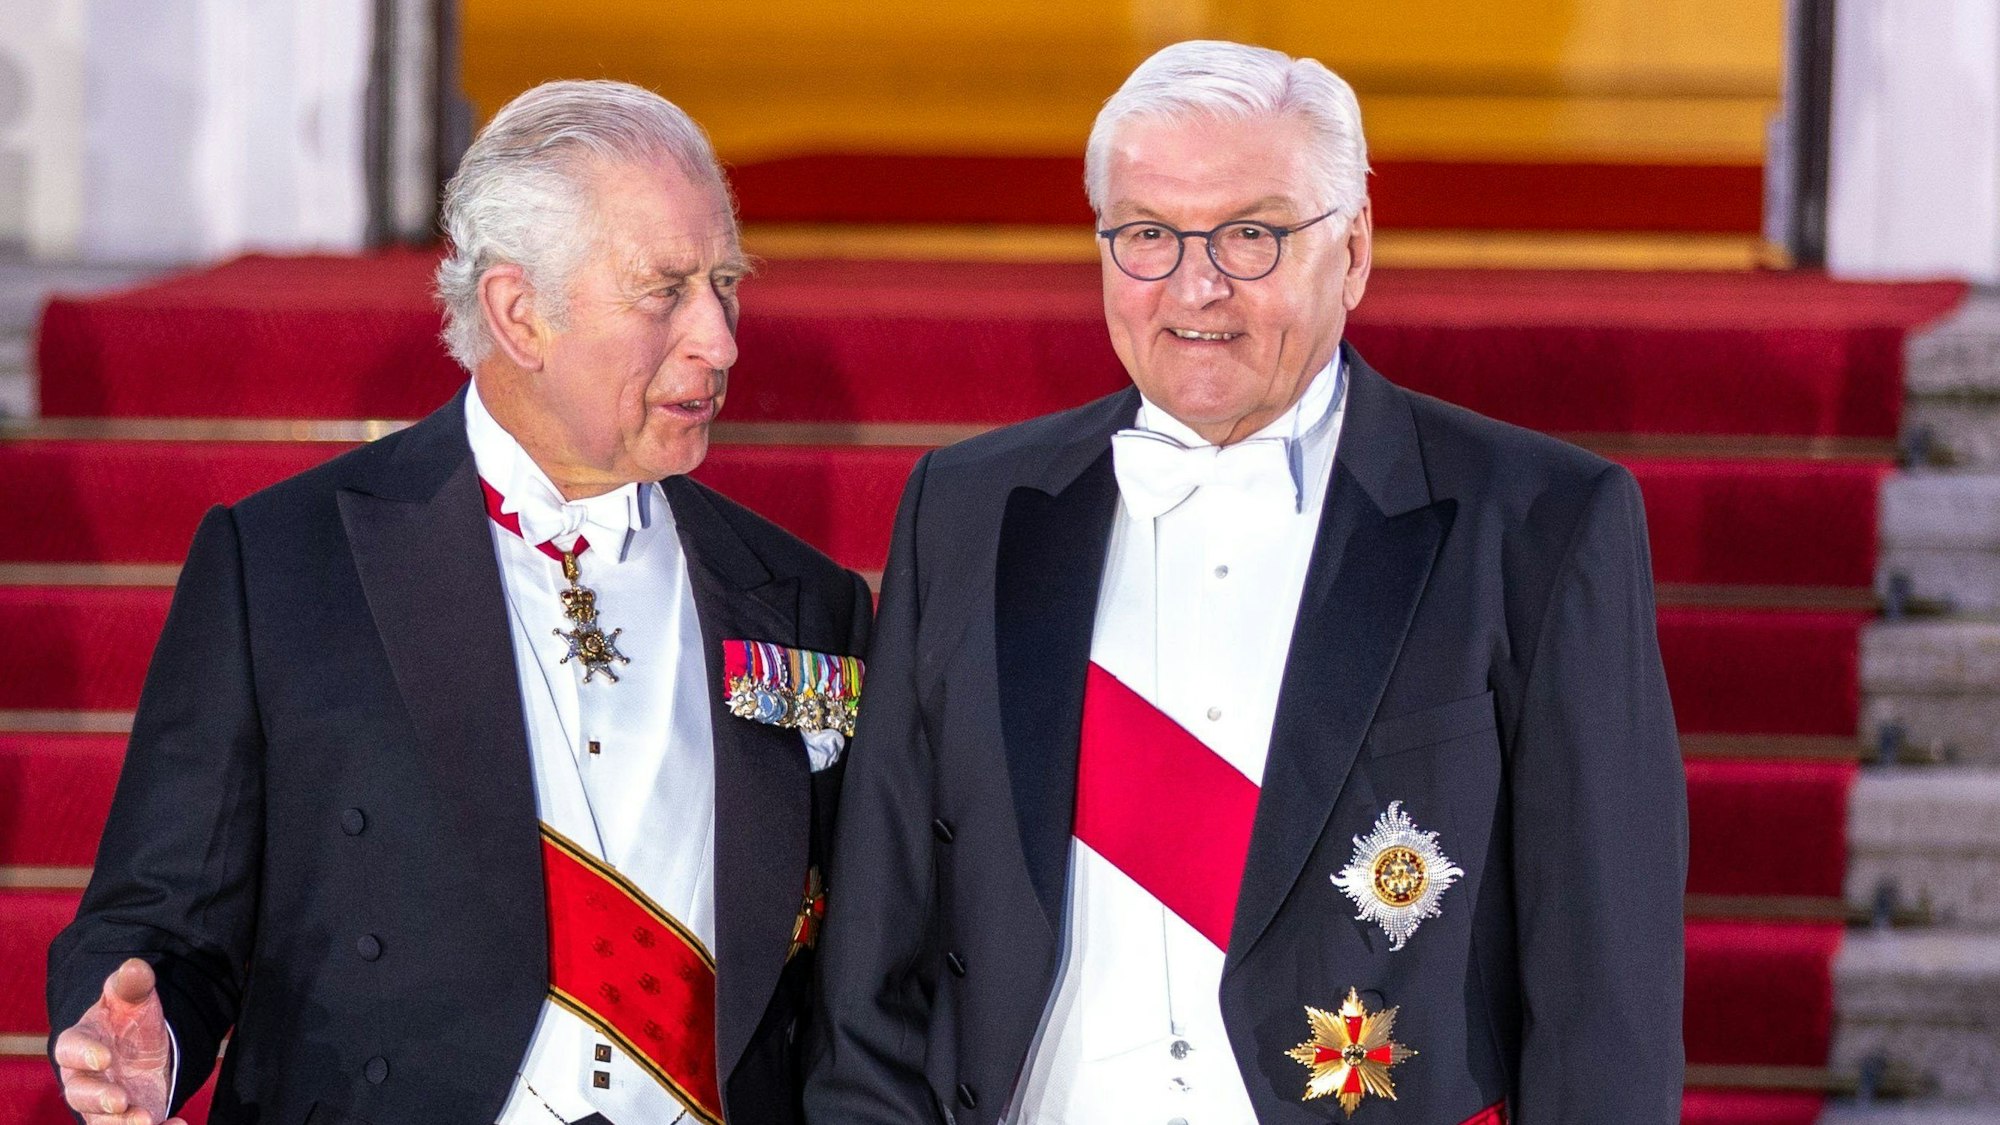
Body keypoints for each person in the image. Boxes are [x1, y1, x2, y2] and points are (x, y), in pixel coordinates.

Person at [806, 40, 1685, 1125]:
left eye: (1251, 235)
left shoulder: (1539, 525)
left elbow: (1605, 1005)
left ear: (1352, 251)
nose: (1195, 287)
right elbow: (873, 960)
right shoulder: (967, 510)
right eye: (1147, 235)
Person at [48, 80, 871, 1125]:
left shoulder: (804, 601)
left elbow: (857, 987)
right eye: (665, 290)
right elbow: (163, 916)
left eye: (724, 282)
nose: (720, 338)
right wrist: (144, 1037)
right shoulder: (287, 565)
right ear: (519, 313)